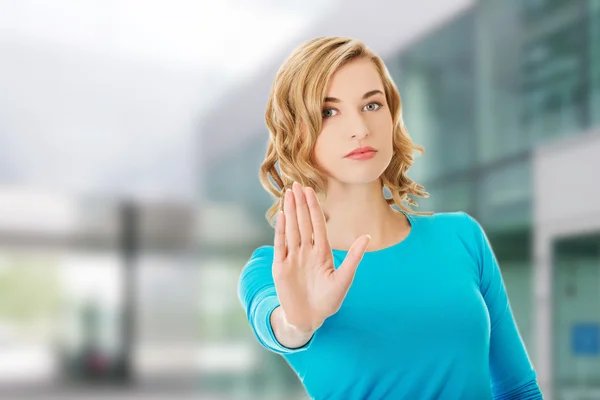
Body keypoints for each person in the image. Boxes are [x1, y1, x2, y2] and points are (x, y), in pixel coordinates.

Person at [237, 36, 542, 400]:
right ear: (296, 130)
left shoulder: (462, 236)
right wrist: (297, 323)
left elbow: (518, 388)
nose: (360, 129)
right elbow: (274, 323)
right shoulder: (276, 267)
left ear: (392, 115)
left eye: (371, 104)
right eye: (328, 111)